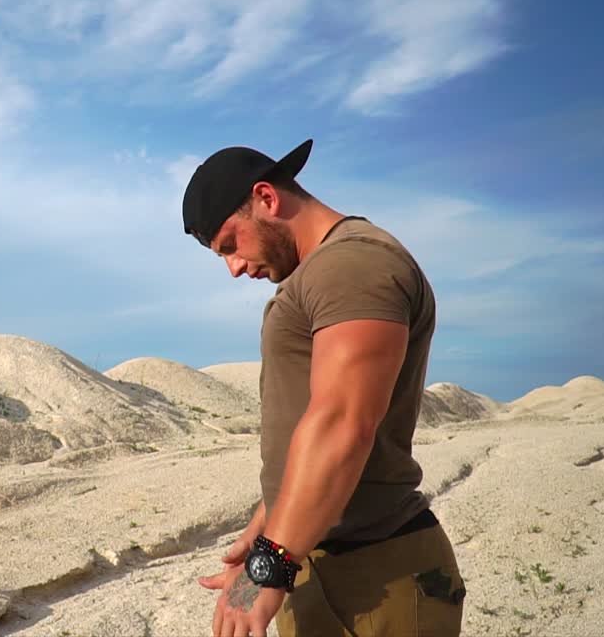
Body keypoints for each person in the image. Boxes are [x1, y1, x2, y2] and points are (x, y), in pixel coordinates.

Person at [183, 139, 465, 637]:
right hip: (314, 563)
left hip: (374, 577)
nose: (233, 267)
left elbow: (342, 423)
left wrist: (270, 565)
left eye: (230, 243)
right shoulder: (323, 272)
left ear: (267, 198)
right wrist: (264, 533)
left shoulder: (352, 267)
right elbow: (307, 425)